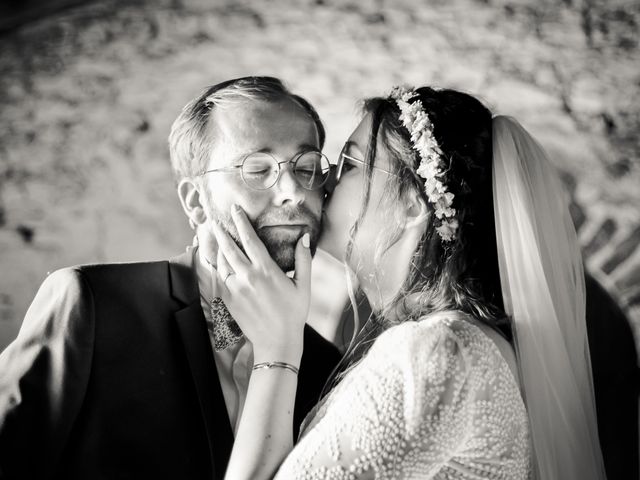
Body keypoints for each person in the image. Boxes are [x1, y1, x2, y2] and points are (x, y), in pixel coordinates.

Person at [215, 86, 609, 479]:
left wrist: (277, 352)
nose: (323, 183)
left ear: (411, 205)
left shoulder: (435, 351)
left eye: (350, 164)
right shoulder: (453, 344)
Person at [0, 76, 341, 479]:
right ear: (196, 202)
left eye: (306, 168)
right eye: (257, 169)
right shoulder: (92, 305)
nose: (294, 193)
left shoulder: (331, 369)